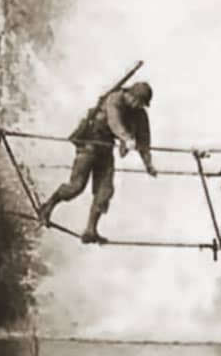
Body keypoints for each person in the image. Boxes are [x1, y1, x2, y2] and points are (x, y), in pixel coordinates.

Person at [37, 81, 158, 243]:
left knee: (105, 192)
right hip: (90, 144)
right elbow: (114, 122)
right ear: (130, 95)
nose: (138, 106)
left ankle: (91, 230)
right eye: (137, 101)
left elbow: (144, 141)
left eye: (142, 104)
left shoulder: (139, 114)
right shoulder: (115, 99)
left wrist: (148, 164)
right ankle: (47, 206)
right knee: (76, 187)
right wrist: (127, 138)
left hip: (106, 149)